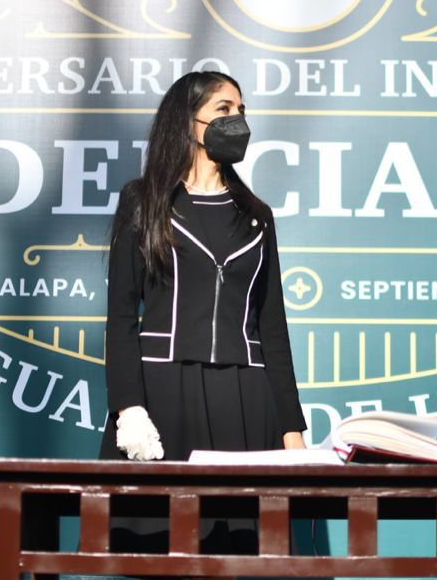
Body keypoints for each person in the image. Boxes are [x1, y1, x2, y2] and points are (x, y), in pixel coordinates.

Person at [99, 70, 307, 554]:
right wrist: (128, 407)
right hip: (164, 395)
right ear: (188, 121)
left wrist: (291, 428)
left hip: (245, 399)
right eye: (223, 110)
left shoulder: (256, 214)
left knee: (241, 550)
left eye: (241, 110)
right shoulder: (144, 201)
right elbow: (122, 316)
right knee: (160, 546)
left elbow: (272, 326)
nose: (237, 121)